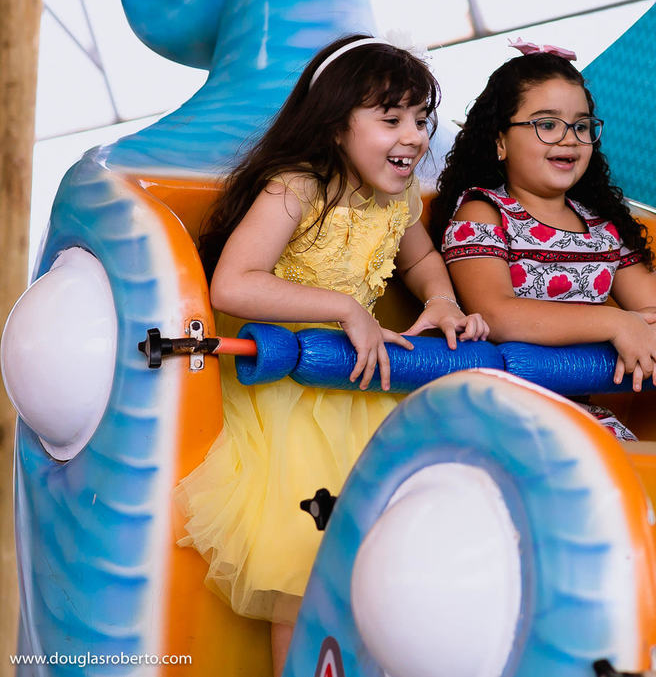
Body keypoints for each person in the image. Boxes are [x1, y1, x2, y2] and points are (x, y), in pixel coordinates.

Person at [176, 34, 487, 675]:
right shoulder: (296, 187)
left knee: (386, 558)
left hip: (356, 391)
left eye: (423, 120)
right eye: (392, 118)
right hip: (284, 397)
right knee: (305, 566)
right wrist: (345, 308)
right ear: (336, 124)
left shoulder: (396, 199)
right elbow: (233, 283)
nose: (415, 136)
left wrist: (443, 301)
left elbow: (423, 257)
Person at [430, 40, 656, 440]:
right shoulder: (484, 213)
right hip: (501, 414)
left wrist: (634, 324)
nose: (569, 138)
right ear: (500, 141)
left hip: (577, 414)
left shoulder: (601, 228)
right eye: (547, 124)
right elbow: (499, 315)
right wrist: (611, 322)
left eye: (582, 125)